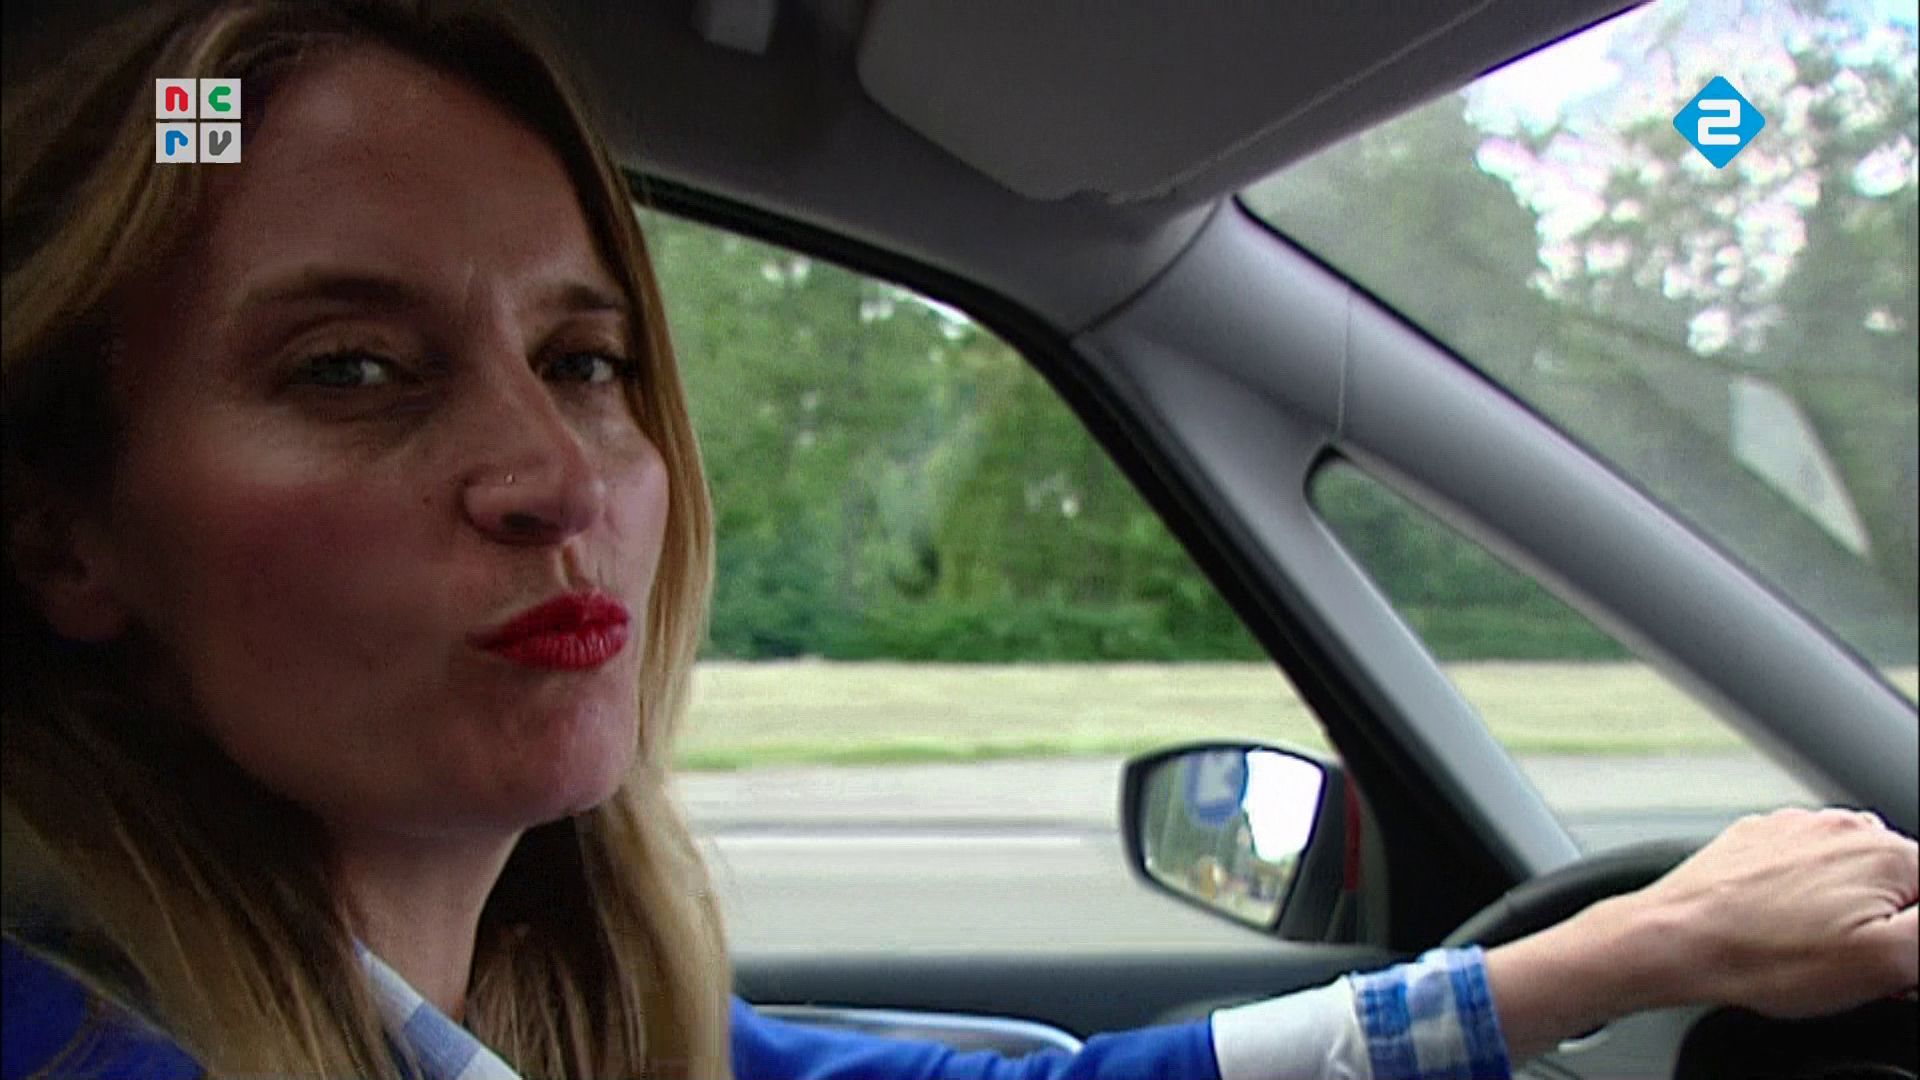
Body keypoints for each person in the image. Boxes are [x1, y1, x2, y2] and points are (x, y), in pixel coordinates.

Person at [2, 2, 1915, 1078]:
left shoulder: (556, 1008)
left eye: (587, 361)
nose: (554, 473)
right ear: (67, 536)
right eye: (351, 368)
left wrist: (1627, 951)